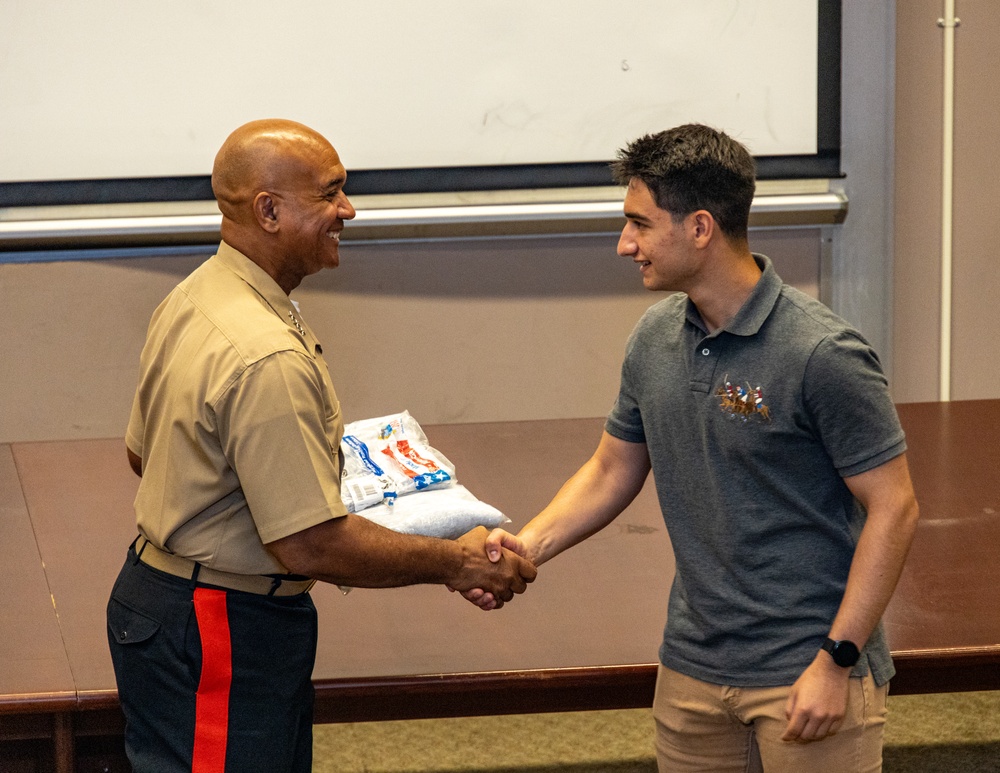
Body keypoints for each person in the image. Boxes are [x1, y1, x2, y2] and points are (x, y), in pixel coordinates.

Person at [463, 124, 919, 772]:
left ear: (700, 227)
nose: (626, 245)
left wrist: (836, 660)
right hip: (693, 667)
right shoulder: (654, 339)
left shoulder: (821, 353)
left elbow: (895, 508)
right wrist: (526, 548)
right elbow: (611, 468)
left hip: (809, 666)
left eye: (640, 224)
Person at [107, 118, 536, 773]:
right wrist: (459, 562)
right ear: (269, 210)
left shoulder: (196, 297)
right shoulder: (265, 353)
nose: (348, 210)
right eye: (331, 195)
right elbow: (308, 542)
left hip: (165, 603)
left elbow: (146, 455)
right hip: (221, 626)